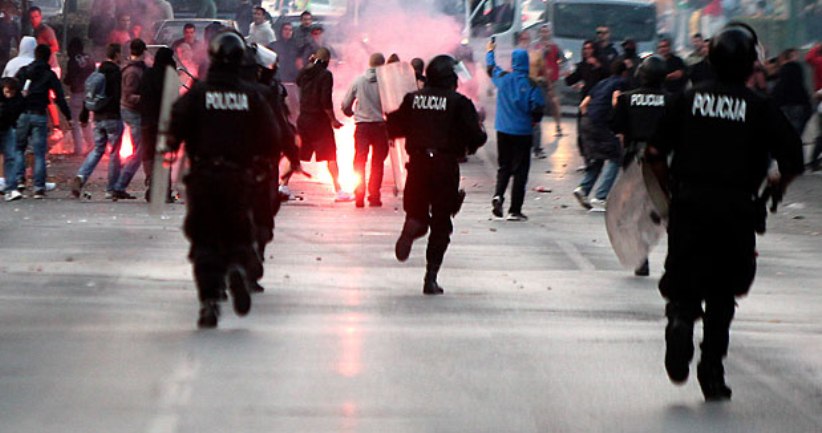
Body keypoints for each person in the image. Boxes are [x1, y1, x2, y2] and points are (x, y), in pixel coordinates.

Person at [647, 24, 804, 401]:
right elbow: (793, 159)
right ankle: (712, 370)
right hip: (736, 212)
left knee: (684, 282)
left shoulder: (685, 100)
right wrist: (775, 186)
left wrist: (668, 194)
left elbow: (653, 156)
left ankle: (680, 323)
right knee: (722, 293)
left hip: (688, 207)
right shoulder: (759, 107)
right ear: (751, 64)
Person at [167, 31, 279, 328]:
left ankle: (209, 302)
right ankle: (236, 270)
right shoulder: (252, 96)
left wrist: (169, 148)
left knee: (204, 239)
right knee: (238, 232)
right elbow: (271, 136)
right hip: (238, 178)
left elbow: (174, 126)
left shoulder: (198, 94)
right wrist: (261, 164)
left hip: (203, 177)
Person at [387, 54, 487, 295]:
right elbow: (476, 137)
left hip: (418, 164)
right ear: (450, 78)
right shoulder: (459, 102)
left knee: (417, 214)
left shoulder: (413, 99)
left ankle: (412, 225)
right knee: (442, 223)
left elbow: (394, 126)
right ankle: (430, 278)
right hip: (444, 165)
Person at [609, 55, 672, 276]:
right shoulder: (673, 100)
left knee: (636, 210)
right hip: (664, 161)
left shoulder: (627, 99)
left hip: (635, 160)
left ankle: (641, 258)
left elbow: (615, 125)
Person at [486, 40, 545, 221]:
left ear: (513, 62)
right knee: (520, 171)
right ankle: (515, 210)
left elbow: (490, 68)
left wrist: (490, 51)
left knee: (504, 166)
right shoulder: (532, 85)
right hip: (522, 132)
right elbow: (538, 108)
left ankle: (498, 196)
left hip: (503, 130)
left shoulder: (503, 78)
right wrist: (534, 122)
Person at [12, 44, 72, 199]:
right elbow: (59, 97)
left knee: (19, 148)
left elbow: (13, 89)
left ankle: (19, 181)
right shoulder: (49, 75)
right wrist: (68, 116)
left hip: (23, 114)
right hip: (39, 114)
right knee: (39, 153)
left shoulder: (24, 71)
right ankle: (39, 187)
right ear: (48, 57)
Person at [296, 47, 352, 201]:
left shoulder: (306, 72)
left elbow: (298, 81)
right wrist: (333, 119)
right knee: (331, 156)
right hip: (319, 121)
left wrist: (309, 64)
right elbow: (325, 100)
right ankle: (339, 191)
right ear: (327, 61)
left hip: (303, 119)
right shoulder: (326, 75)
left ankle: (283, 185)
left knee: (297, 154)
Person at [572, 60, 629, 212]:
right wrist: (617, 121)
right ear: (624, 72)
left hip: (586, 121)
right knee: (616, 156)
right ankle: (600, 196)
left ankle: (583, 189)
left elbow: (583, 105)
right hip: (600, 123)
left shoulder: (602, 83)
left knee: (597, 157)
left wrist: (590, 118)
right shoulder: (622, 82)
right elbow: (616, 100)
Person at [70, 44, 123, 200]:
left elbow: (89, 95)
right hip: (112, 117)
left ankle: (81, 176)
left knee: (98, 150)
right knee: (114, 153)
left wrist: (85, 115)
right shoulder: (115, 72)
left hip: (97, 117)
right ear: (117, 55)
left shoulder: (97, 71)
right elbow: (117, 95)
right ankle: (111, 188)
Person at [341, 52, 389, 208]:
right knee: (377, 162)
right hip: (380, 127)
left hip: (362, 126)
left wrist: (351, 113)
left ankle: (359, 194)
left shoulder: (359, 80)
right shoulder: (386, 82)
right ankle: (374, 196)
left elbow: (346, 104)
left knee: (360, 161)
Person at [111, 38, 148, 199]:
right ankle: (119, 185)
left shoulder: (134, 69)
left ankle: (118, 185)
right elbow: (128, 95)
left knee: (140, 150)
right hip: (132, 112)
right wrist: (146, 98)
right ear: (143, 51)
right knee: (140, 152)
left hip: (132, 111)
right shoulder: (133, 71)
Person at [139, 47, 176, 202]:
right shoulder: (170, 76)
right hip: (164, 122)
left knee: (148, 154)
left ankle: (151, 181)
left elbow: (141, 94)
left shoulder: (148, 74)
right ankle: (164, 191)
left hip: (147, 121)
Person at [63, 38, 95, 155]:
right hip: (89, 93)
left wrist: (66, 81)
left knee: (75, 122)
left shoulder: (72, 61)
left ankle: (79, 149)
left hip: (77, 94)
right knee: (87, 120)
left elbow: (69, 79)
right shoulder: (89, 58)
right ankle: (92, 146)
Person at [1, 78, 24, 201]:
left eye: (12, 93)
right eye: (7, 92)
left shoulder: (18, 99)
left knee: (10, 157)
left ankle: (10, 188)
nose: (9, 95)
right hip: (6, 126)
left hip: (7, 127)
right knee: (10, 157)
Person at [806, 42, 822, 171]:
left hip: (818, 95)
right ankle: (814, 159)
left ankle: (814, 159)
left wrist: (817, 46)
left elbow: (808, 58)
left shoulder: (818, 62)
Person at [0, 9, 19, 73]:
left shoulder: (14, 25)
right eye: (6, 12)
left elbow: (17, 38)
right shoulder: (1, 22)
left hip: (6, 47)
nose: (8, 14)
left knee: (4, 64)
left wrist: (19, 49)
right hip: (2, 46)